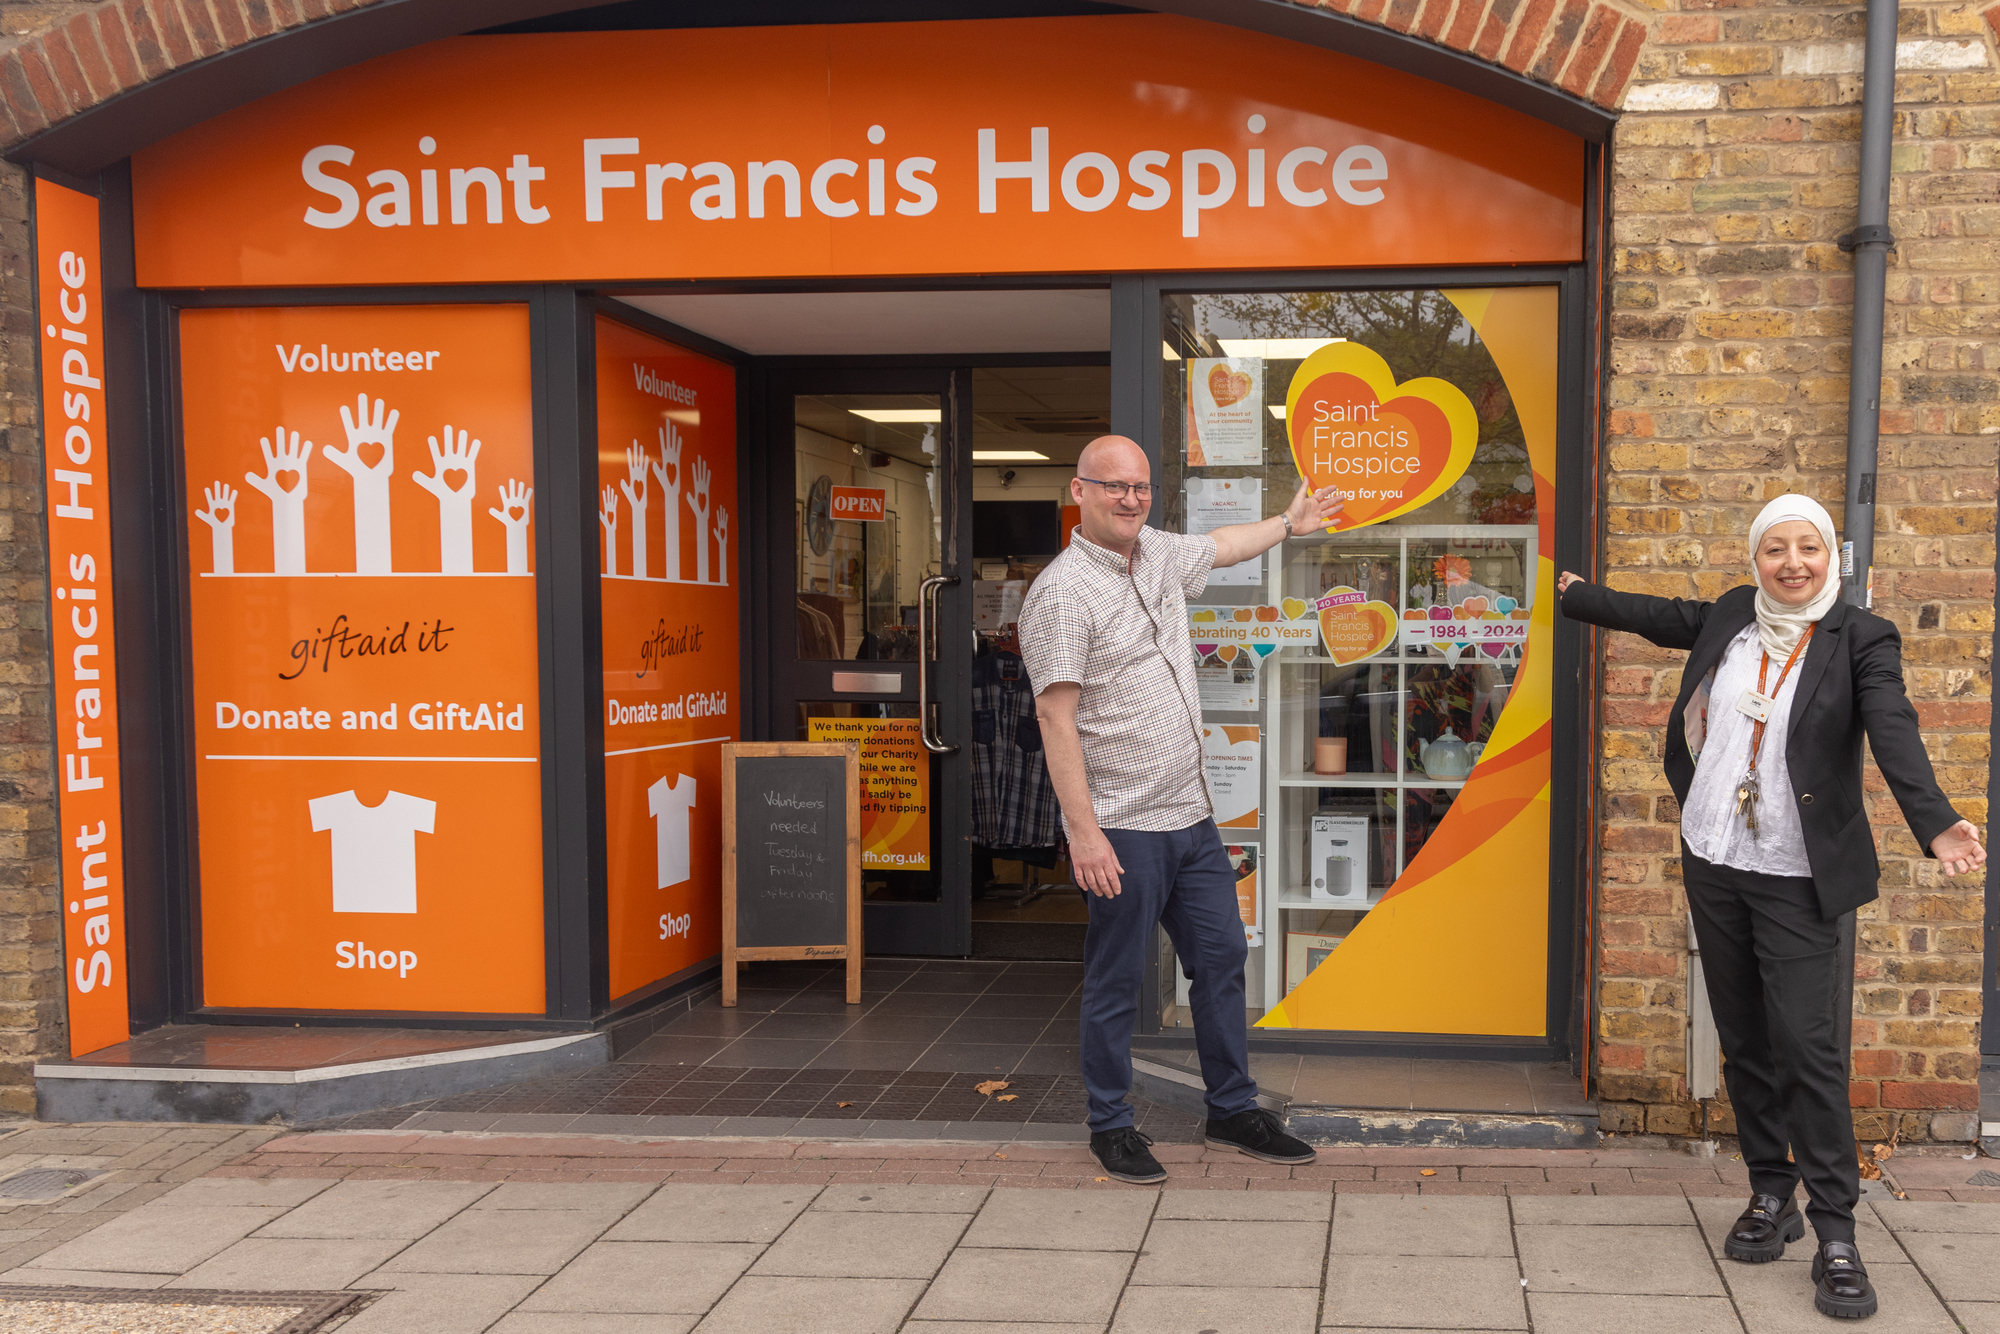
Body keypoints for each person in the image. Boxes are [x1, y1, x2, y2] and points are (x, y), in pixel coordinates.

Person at [1558, 494, 1985, 1321]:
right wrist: (1575, 593)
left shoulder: (1862, 638)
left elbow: (1893, 728)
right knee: (1745, 1036)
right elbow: (1656, 614)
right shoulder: (1730, 616)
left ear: (1832, 556)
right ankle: (1769, 1193)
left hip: (1795, 873)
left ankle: (1836, 1233)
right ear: (1755, 560)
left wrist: (1935, 824)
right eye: (1775, 550)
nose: (1792, 563)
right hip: (1715, 856)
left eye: (1808, 548)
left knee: (1807, 1046)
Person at [1018, 435, 1342, 1184]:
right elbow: (1055, 719)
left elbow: (1222, 546)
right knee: (1117, 979)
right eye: (1114, 487)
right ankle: (1112, 1123)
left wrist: (1286, 525)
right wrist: (1085, 834)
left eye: (1139, 486)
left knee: (1221, 959)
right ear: (1080, 492)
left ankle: (1231, 1108)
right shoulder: (1063, 593)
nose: (1130, 498)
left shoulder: (1156, 554)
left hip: (1191, 821)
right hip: (1124, 827)